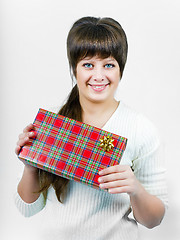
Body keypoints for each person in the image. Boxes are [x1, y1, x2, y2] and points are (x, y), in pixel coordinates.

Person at [15, 16, 168, 239]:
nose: (98, 76)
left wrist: (135, 188)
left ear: (120, 70)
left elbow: (154, 220)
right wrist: (29, 166)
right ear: (74, 69)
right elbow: (27, 208)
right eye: (88, 64)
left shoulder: (141, 128)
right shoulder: (53, 123)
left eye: (108, 65)